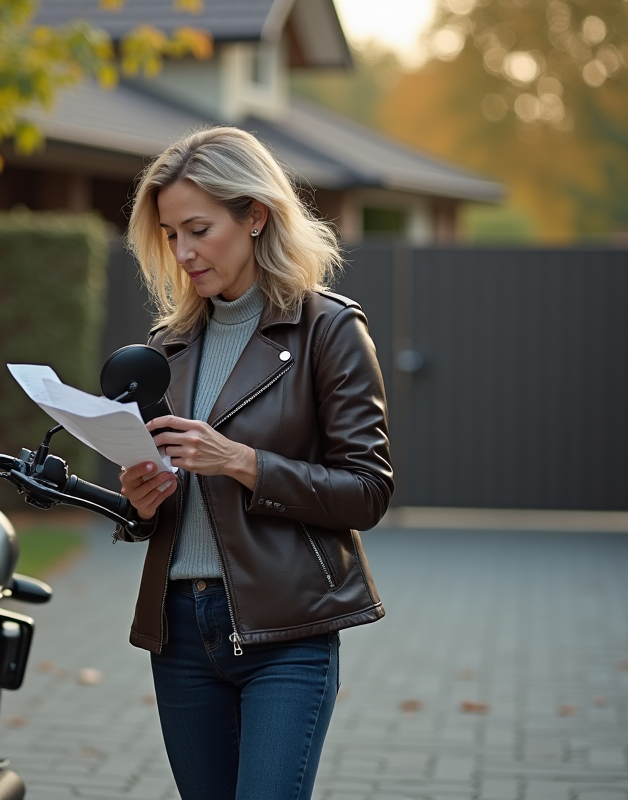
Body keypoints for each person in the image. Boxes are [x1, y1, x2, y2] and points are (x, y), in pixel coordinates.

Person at [116, 126, 393, 800]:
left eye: (198, 230)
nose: (183, 252)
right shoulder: (167, 345)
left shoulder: (330, 329)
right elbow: (156, 497)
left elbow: (367, 491)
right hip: (180, 635)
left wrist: (243, 462)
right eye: (170, 235)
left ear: (256, 216)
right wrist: (139, 504)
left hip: (288, 632)